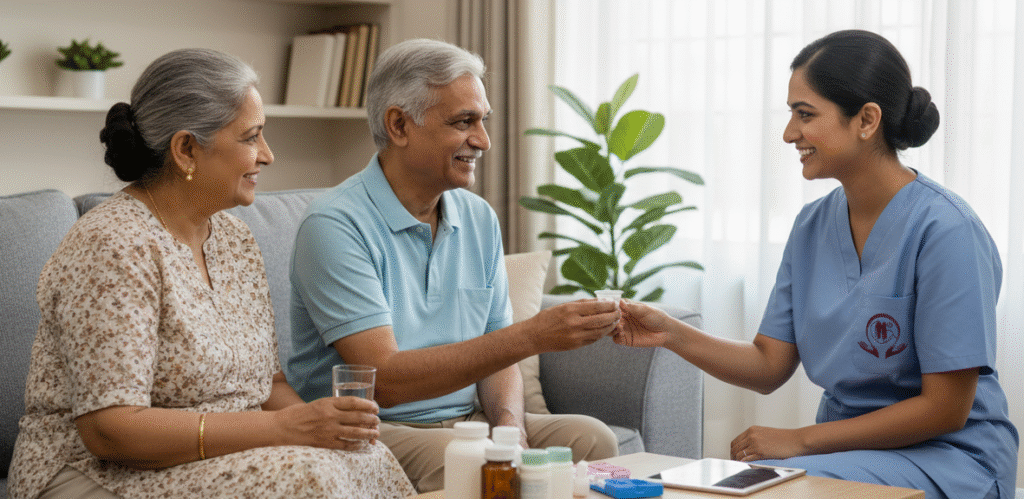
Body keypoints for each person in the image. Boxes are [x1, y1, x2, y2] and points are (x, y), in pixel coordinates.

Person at [614, 29, 1018, 499]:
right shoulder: (812, 225)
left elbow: (945, 409)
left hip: (948, 456)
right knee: (735, 484)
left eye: (805, 115)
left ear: (867, 120)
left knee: (779, 485)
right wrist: (671, 332)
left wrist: (800, 440)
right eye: (790, 114)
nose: (789, 133)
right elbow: (770, 365)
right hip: (843, 453)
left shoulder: (947, 231)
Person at [6, 48, 415, 499]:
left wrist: (317, 429)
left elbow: (269, 384)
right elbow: (111, 430)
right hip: (92, 470)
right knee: (307, 478)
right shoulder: (113, 246)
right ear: (186, 149)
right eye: (251, 137)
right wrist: (280, 429)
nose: (268, 155)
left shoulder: (235, 240)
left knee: (364, 457)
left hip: (218, 456)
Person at [287, 38, 620, 492]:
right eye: (464, 122)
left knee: (593, 439)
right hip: (376, 427)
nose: (482, 140)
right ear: (399, 125)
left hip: (471, 422)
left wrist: (510, 427)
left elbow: (497, 353)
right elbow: (384, 381)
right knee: (475, 467)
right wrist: (533, 334)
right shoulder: (334, 225)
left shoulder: (477, 216)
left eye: (482, 120)